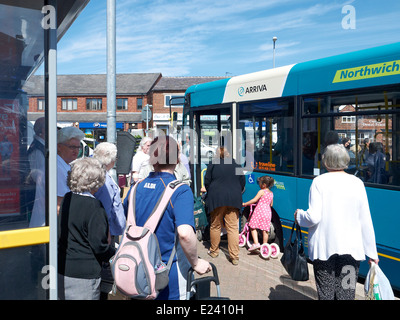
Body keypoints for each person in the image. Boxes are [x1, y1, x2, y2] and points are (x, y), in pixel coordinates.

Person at [125, 135, 211, 300]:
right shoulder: (180, 191)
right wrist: (196, 263)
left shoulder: (135, 188)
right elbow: (185, 234)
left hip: (138, 274)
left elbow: (125, 223)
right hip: (168, 277)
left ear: (151, 158)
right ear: (178, 158)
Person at [294, 144, 379, 300]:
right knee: (346, 294)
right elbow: (365, 219)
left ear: (326, 161)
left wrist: (299, 215)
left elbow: (313, 217)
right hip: (351, 250)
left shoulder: (319, 182)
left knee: (325, 294)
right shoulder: (357, 183)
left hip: (324, 249)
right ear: (346, 160)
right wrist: (372, 253)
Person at [58, 157, 116, 300]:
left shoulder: (67, 198)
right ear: (96, 181)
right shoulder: (94, 207)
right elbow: (99, 246)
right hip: (84, 274)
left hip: (62, 267)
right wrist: (115, 253)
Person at [93, 142, 126, 299]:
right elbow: (105, 210)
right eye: (115, 157)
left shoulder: (102, 173)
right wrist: (106, 233)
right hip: (108, 232)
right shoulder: (103, 178)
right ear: (110, 159)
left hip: (109, 230)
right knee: (107, 267)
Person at [204, 147, 246, 265]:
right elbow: (242, 181)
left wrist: (210, 191)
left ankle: (214, 251)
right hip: (233, 198)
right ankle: (234, 257)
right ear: (228, 154)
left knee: (215, 225)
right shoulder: (236, 164)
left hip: (216, 198)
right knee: (232, 227)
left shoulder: (213, 164)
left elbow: (207, 181)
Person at [57, 126, 85, 214]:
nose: (76, 151)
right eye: (72, 147)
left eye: (78, 147)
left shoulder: (66, 164)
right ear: (59, 147)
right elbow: (59, 204)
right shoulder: (57, 167)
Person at [242, 175, 274, 252]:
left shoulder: (261, 191)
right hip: (268, 212)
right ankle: (264, 245)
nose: (259, 184)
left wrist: (245, 203)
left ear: (264, 185)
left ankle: (256, 243)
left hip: (259, 211)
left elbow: (254, 200)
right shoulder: (271, 193)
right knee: (265, 229)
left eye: (260, 183)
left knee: (252, 226)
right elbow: (271, 204)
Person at [27, 117, 46, 228]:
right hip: (37, 195)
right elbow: (39, 177)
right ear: (43, 131)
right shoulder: (37, 150)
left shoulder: (40, 147)